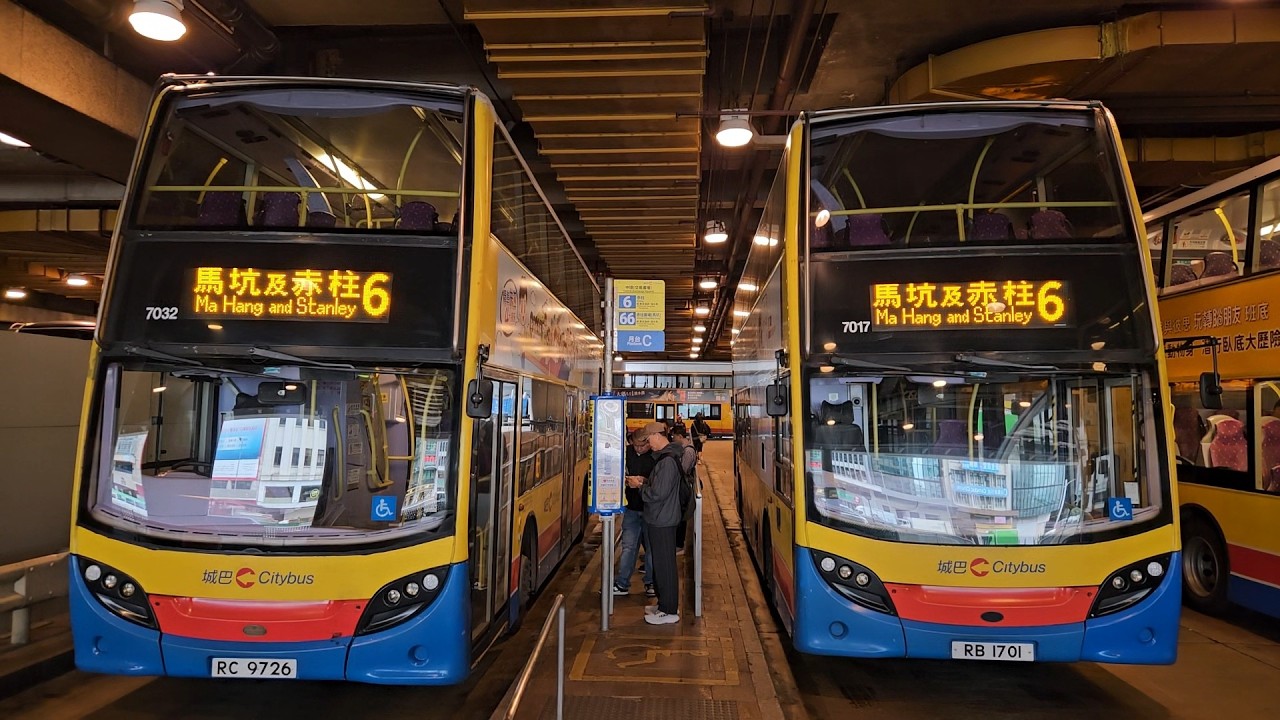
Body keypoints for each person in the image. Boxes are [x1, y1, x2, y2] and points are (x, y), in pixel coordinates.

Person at [628, 421, 684, 624]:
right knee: (660, 564)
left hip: (663, 519)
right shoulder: (665, 458)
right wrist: (644, 481)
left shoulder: (667, 461)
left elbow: (658, 493)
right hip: (660, 517)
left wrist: (640, 488)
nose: (648, 444)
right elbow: (660, 486)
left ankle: (669, 610)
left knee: (665, 565)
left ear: (658, 436)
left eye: (648, 439)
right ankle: (663, 605)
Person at [613, 427, 656, 597]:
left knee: (651, 549)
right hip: (631, 508)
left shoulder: (655, 456)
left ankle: (651, 582)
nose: (639, 449)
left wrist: (643, 481)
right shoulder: (626, 453)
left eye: (642, 446)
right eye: (636, 445)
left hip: (649, 510)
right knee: (629, 547)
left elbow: (657, 482)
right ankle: (622, 583)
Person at [668, 425, 698, 553]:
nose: (673, 439)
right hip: (682, 485)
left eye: (674, 436)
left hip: (683, 487)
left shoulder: (688, 451)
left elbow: (683, 470)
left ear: (680, 436)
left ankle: (679, 545)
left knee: (681, 516)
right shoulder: (685, 449)